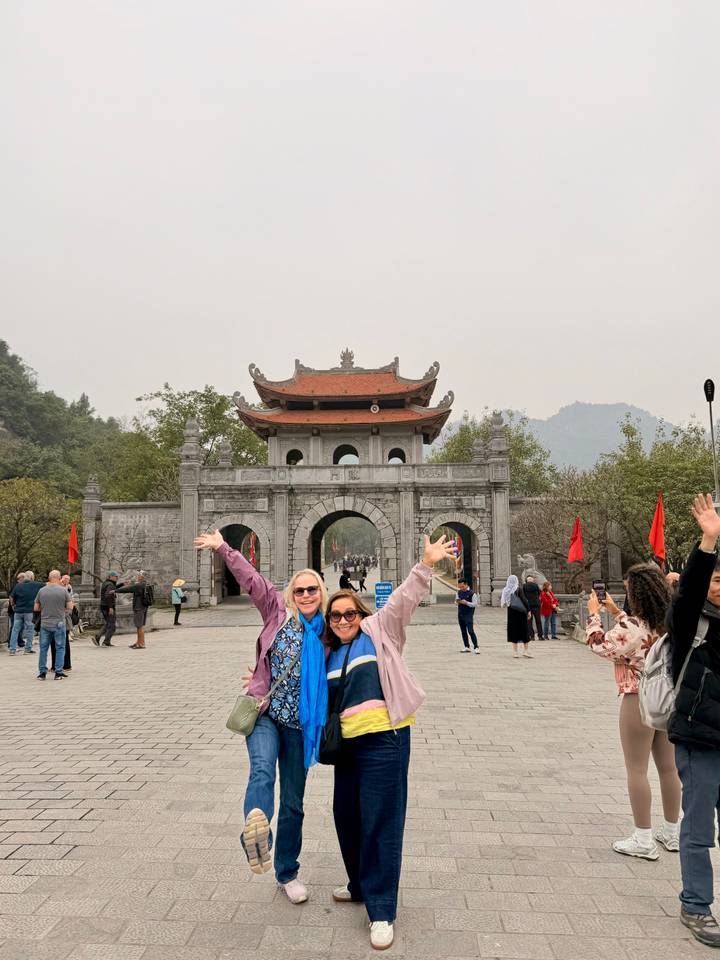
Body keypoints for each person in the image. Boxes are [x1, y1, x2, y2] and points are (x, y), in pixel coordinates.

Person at [325, 534, 456, 951]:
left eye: (349, 613)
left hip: (385, 741)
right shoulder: (326, 653)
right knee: (346, 815)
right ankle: (360, 884)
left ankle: (381, 910)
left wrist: (425, 564)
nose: (343, 620)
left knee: (381, 819)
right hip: (346, 747)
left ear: (360, 611)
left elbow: (402, 601)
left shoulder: (380, 631)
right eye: (335, 617)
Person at [193, 528, 329, 905]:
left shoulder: (332, 631)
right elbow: (251, 580)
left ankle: (287, 871)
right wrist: (223, 547)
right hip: (266, 714)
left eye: (311, 590)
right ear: (291, 594)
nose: (305, 595)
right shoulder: (277, 611)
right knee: (262, 771)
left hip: (301, 725)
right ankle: (258, 836)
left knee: (294, 803)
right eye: (299, 590)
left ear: (321, 593)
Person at [586, 565, 680, 860]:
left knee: (636, 769)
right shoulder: (672, 622)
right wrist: (617, 613)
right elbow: (638, 631)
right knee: (669, 768)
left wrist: (594, 614)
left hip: (637, 698)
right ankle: (672, 831)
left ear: (636, 594)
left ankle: (643, 837)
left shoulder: (632, 628)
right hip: (668, 699)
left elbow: (600, 646)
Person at [665, 494, 720, 946]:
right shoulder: (690, 622)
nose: (718, 584)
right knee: (699, 827)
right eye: (714, 578)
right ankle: (696, 905)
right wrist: (707, 542)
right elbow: (689, 592)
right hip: (699, 739)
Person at [34, 570, 72, 680]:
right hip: (59, 622)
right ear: (59, 577)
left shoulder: (41, 591)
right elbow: (70, 607)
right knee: (60, 647)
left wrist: (44, 608)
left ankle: (42, 672)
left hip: (45, 623)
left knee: (43, 648)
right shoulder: (63, 590)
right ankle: (58, 672)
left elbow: (36, 608)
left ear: (49, 578)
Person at [8, 570, 42, 655]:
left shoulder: (18, 586)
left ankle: (12, 650)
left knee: (15, 630)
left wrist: (13, 606)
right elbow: (48, 585)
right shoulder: (36, 584)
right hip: (29, 611)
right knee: (30, 630)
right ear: (31, 577)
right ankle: (27, 649)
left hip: (18, 611)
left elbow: (11, 597)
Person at [116, 572, 153, 649]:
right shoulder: (145, 584)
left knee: (139, 626)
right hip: (144, 607)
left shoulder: (139, 585)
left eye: (139, 576)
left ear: (142, 577)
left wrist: (115, 591)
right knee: (140, 626)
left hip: (138, 607)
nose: (137, 577)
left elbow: (128, 589)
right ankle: (138, 642)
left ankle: (141, 644)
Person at [501, 575, 533, 658]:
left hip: (511, 612)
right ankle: (526, 651)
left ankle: (515, 652)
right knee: (524, 630)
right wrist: (529, 610)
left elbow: (504, 602)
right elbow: (524, 600)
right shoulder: (518, 589)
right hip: (521, 612)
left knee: (513, 631)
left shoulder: (505, 590)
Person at [50, 575, 75, 673]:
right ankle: (59, 665)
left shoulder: (66, 592)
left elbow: (69, 608)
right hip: (59, 620)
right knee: (58, 644)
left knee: (61, 644)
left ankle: (64, 665)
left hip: (61, 621)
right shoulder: (63, 592)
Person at [93, 572, 125, 646]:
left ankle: (98, 637)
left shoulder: (107, 583)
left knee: (108, 623)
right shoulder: (110, 584)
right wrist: (110, 607)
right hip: (108, 607)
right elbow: (108, 595)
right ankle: (106, 641)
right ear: (110, 577)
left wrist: (122, 584)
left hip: (104, 606)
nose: (117, 578)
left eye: (117, 576)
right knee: (112, 625)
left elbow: (113, 589)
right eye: (115, 576)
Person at [455, 578, 479, 653]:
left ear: (466, 584)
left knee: (470, 631)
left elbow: (475, 604)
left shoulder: (472, 593)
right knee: (463, 631)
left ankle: (476, 647)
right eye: (459, 587)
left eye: (462, 586)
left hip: (468, 614)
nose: (461, 588)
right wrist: (458, 602)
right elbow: (456, 601)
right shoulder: (458, 592)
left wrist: (466, 603)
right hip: (460, 614)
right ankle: (466, 646)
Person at [522, 575, 543, 640]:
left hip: (528, 606)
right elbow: (540, 593)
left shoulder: (524, 586)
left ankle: (532, 636)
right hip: (536, 605)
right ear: (532, 580)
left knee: (529, 621)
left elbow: (523, 596)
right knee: (538, 621)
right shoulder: (536, 585)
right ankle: (540, 636)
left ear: (527, 580)